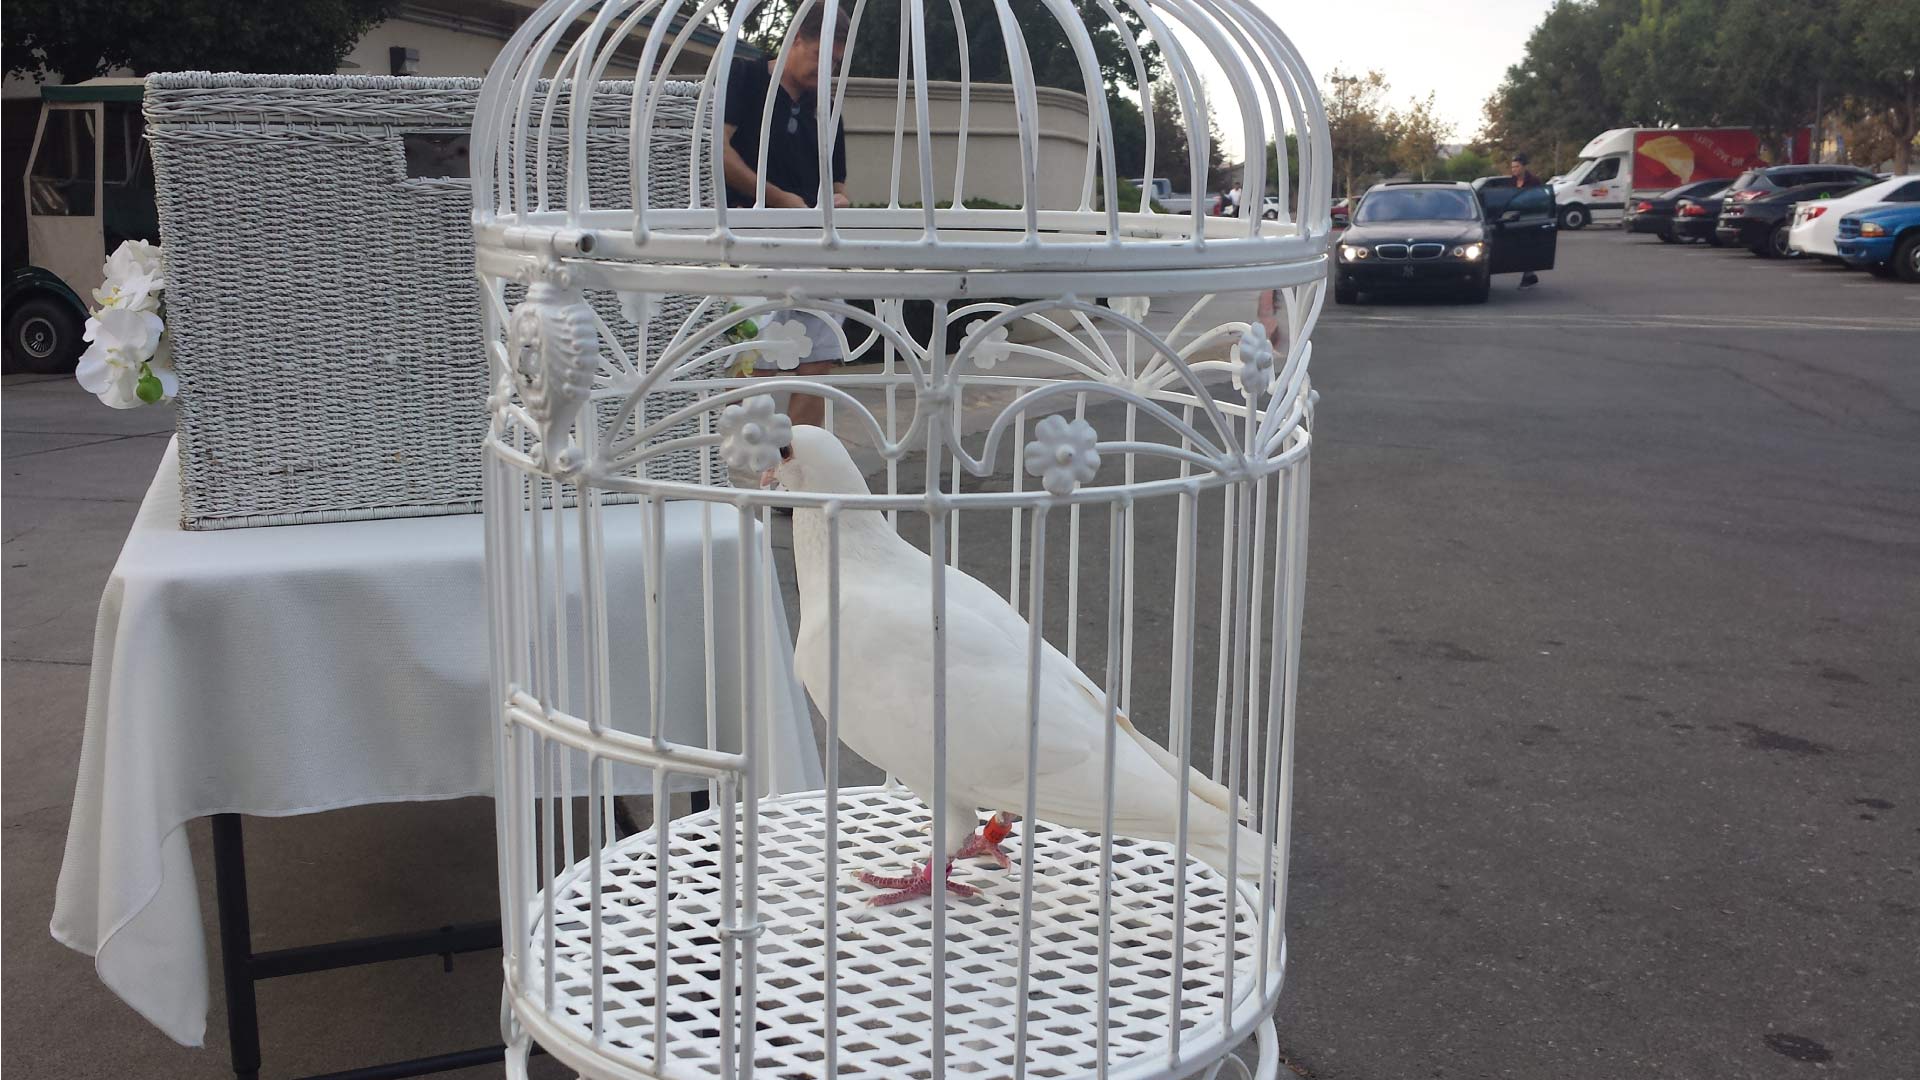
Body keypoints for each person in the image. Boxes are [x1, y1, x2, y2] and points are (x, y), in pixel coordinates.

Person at [721, 7, 852, 428]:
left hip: (812, 247)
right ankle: (744, 470)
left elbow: (837, 184)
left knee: (817, 364)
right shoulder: (745, 77)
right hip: (749, 241)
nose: (826, 69)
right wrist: (777, 198)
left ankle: (801, 475)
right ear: (794, 40)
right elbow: (717, 151)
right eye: (820, 56)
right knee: (752, 360)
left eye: (836, 63)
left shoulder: (826, 105)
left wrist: (839, 204)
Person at [1509, 153, 1543, 289]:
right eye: (1512, 167)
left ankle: (1528, 275)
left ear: (1523, 167)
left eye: (1516, 167)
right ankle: (1530, 275)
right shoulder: (1511, 181)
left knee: (1527, 247)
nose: (1514, 170)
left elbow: (1539, 199)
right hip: (1514, 218)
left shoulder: (1534, 181)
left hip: (1529, 217)